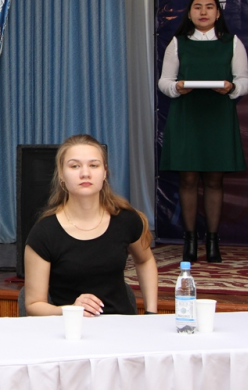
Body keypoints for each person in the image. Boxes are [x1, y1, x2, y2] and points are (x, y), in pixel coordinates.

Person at [158, 0, 248, 263]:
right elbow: (164, 81)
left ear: (218, 13)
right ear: (189, 14)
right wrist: (176, 88)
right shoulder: (178, 43)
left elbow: (245, 81)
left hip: (218, 116)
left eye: (209, 7)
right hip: (187, 116)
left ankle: (212, 240)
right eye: (197, 7)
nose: (203, 12)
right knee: (187, 178)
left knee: (214, 179)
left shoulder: (232, 43)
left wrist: (232, 88)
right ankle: (189, 239)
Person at [23, 134, 158, 317]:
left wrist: (151, 313)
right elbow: (33, 305)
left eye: (94, 165)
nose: (85, 173)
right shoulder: (44, 233)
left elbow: (145, 260)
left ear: (105, 172)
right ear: (61, 174)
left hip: (121, 327)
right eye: (75, 166)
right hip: (71, 328)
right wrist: (71, 310)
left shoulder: (126, 219)